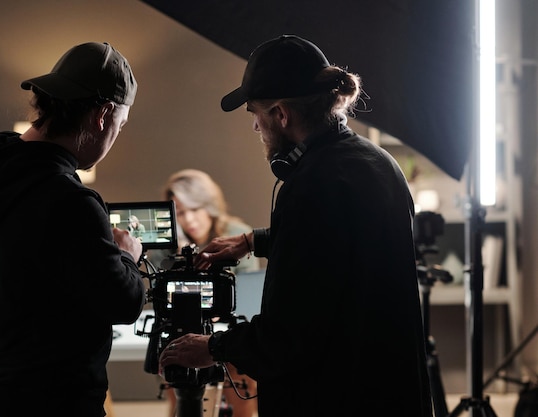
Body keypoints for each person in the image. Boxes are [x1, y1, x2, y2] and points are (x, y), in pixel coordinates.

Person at [159, 35, 433, 417]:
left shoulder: (310, 186)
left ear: (281, 115)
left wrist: (212, 347)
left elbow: (290, 334)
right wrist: (252, 241)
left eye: (255, 114)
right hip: (387, 391)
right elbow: (344, 244)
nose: (256, 127)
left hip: (336, 396)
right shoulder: (376, 162)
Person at [0, 42, 145, 417]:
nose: (116, 136)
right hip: (60, 402)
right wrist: (128, 256)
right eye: (121, 125)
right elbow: (124, 303)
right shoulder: (72, 201)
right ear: (102, 115)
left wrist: (3, 360)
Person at [158, 168, 259, 417]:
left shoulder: (237, 235)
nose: (188, 220)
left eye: (194, 209)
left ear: (209, 205)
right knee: (178, 390)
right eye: (180, 212)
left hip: (230, 335)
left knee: (241, 401)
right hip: (181, 331)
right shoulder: (168, 245)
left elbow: (242, 292)